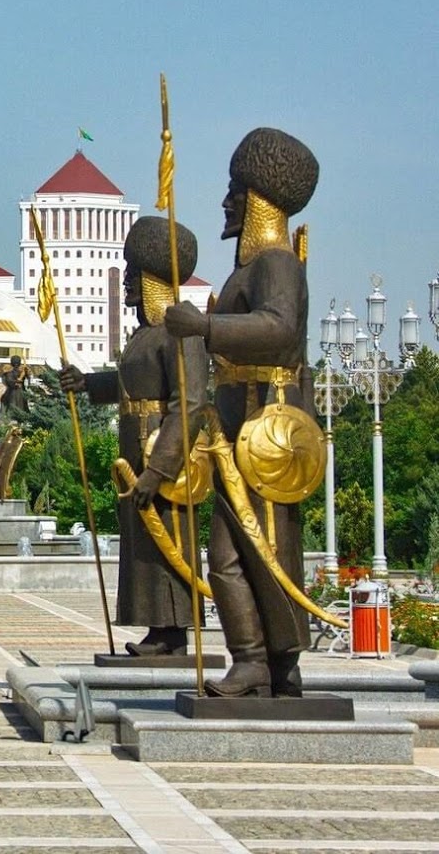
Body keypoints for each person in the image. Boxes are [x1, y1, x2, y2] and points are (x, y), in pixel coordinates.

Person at [165, 127, 319, 697]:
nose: (225, 202)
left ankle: (263, 660)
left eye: (235, 190)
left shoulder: (275, 265)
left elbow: (279, 327)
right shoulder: (246, 270)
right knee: (245, 550)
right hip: (241, 429)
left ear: (257, 199)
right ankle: (271, 663)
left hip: (267, 431)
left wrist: (205, 326)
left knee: (246, 552)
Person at [60, 216, 207, 656]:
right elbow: (131, 383)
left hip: (165, 457)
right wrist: (88, 383)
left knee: (167, 541)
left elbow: (191, 404)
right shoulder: (145, 335)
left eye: (133, 275)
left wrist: (160, 469)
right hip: (135, 452)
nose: (125, 283)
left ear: (154, 278)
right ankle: (158, 629)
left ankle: (174, 631)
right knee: (142, 544)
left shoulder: (181, 332)